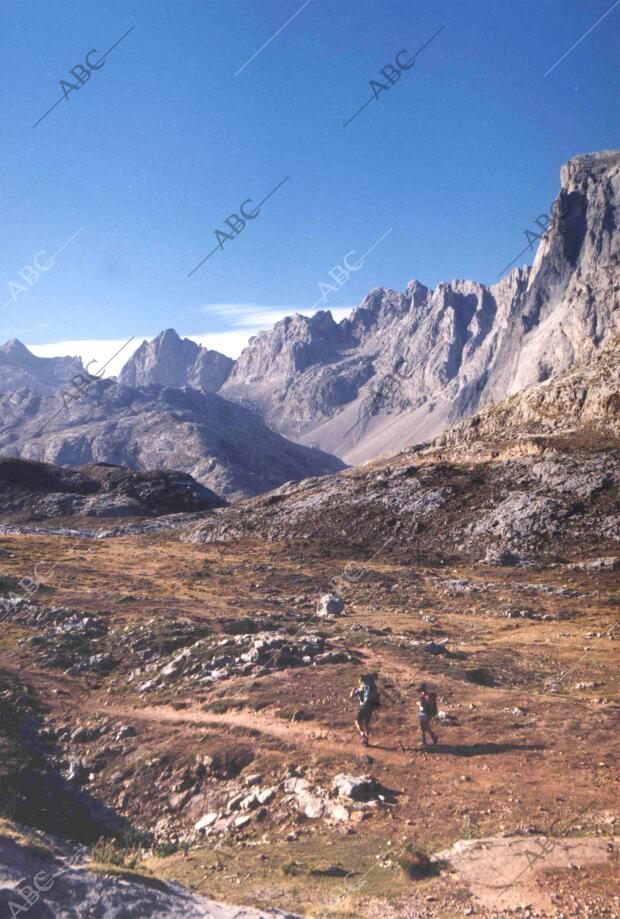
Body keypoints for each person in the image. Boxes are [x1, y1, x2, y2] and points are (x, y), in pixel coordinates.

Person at [350, 674, 380, 746]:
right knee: (366, 724)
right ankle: (366, 740)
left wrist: (353, 690)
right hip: (372, 706)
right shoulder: (371, 687)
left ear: (361, 681)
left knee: (357, 722)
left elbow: (351, 696)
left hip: (365, 705)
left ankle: (362, 734)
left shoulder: (362, 687)